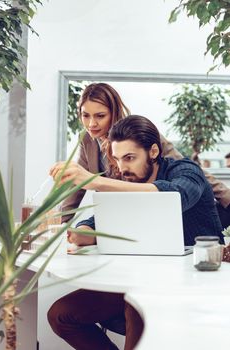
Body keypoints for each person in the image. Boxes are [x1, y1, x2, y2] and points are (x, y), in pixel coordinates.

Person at [48, 115, 224, 350]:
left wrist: (95, 182)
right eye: (117, 159)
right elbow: (101, 218)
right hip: (140, 278)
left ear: (153, 151)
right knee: (61, 315)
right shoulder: (127, 179)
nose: (122, 168)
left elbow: (175, 196)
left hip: (191, 282)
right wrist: (84, 231)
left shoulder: (186, 171)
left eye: (129, 158)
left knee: (136, 305)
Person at [61, 83, 230, 238]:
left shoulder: (139, 134)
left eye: (100, 115)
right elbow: (80, 188)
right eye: (85, 115)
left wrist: (226, 197)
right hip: (134, 216)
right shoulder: (87, 141)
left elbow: (187, 176)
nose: (91, 123)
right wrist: (64, 227)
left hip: (178, 218)